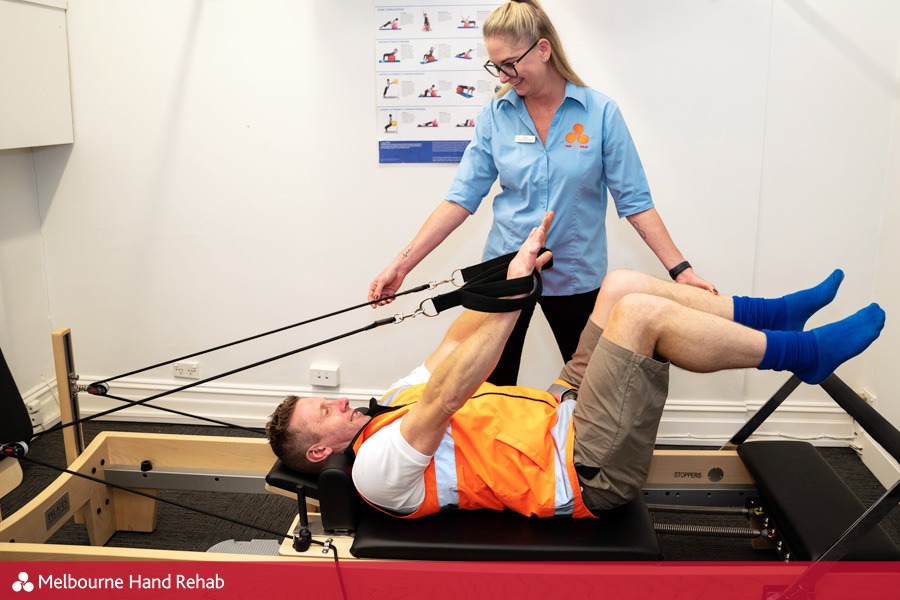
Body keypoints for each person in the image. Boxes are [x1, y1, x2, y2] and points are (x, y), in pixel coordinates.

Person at [268, 212, 885, 518]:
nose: (339, 400)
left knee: (617, 286)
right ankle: (803, 356)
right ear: (319, 450)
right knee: (639, 317)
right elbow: (453, 391)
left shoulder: (386, 406)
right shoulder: (376, 470)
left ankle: (771, 316)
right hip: (584, 469)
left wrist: (504, 275)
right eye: (326, 410)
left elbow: (455, 346)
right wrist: (514, 296)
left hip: (561, 409)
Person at [367, 0, 716, 387]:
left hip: (576, 276)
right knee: (488, 387)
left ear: (544, 50)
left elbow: (635, 203)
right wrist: (401, 264)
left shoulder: (600, 114)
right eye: (496, 65)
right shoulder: (495, 115)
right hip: (506, 270)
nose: (503, 75)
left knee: (591, 387)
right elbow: (460, 199)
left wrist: (681, 271)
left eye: (510, 63)